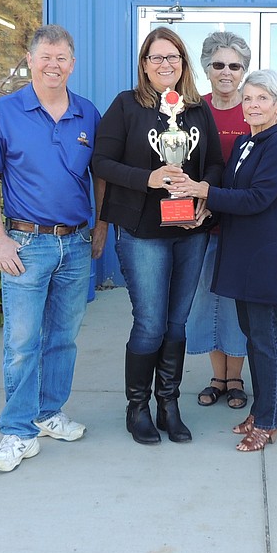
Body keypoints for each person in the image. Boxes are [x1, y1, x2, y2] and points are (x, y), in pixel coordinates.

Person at [0, 24, 107, 474]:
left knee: (63, 339)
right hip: (25, 244)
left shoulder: (87, 114)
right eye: (46, 57)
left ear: (73, 63)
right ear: (30, 60)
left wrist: (101, 225)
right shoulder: (6, 112)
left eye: (62, 58)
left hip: (74, 243)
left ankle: (49, 412)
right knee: (21, 342)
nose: (54, 65)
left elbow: (100, 175)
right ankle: (17, 431)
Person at [93, 27, 224, 445]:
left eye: (173, 57)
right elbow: (101, 162)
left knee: (177, 323)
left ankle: (169, 403)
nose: (165, 64)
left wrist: (205, 198)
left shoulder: (198, 109)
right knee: (150, 324)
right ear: (144, 64)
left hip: (191, 230)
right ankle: (138, 408)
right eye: (156, 58)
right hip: (143, 231)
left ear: (183, 64)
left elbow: (216, 165)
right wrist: (148, 178)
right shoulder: (126, 105)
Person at [172, 70, 277, 452]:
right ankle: (261, 411)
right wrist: (203, 209)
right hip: (245, 254)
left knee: (264, 341)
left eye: (263, 98)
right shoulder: (248, 141)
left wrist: (204, 191)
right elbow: (231, 193)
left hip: (265, 257)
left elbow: (258, 198)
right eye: (249, 99)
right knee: (254, 336)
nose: (254, 105)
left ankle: (269, 421)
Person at [186, 32, 252, 411]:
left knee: (235, 302)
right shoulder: (194, 109)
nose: (226, 72)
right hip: (200, 222)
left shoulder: (255, 106)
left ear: (244, 70)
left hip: (242, 223)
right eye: (218, 64)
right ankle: (216, 377)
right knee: (206, 300)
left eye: (235, 65)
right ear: (207, 68)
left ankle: (236, 377)